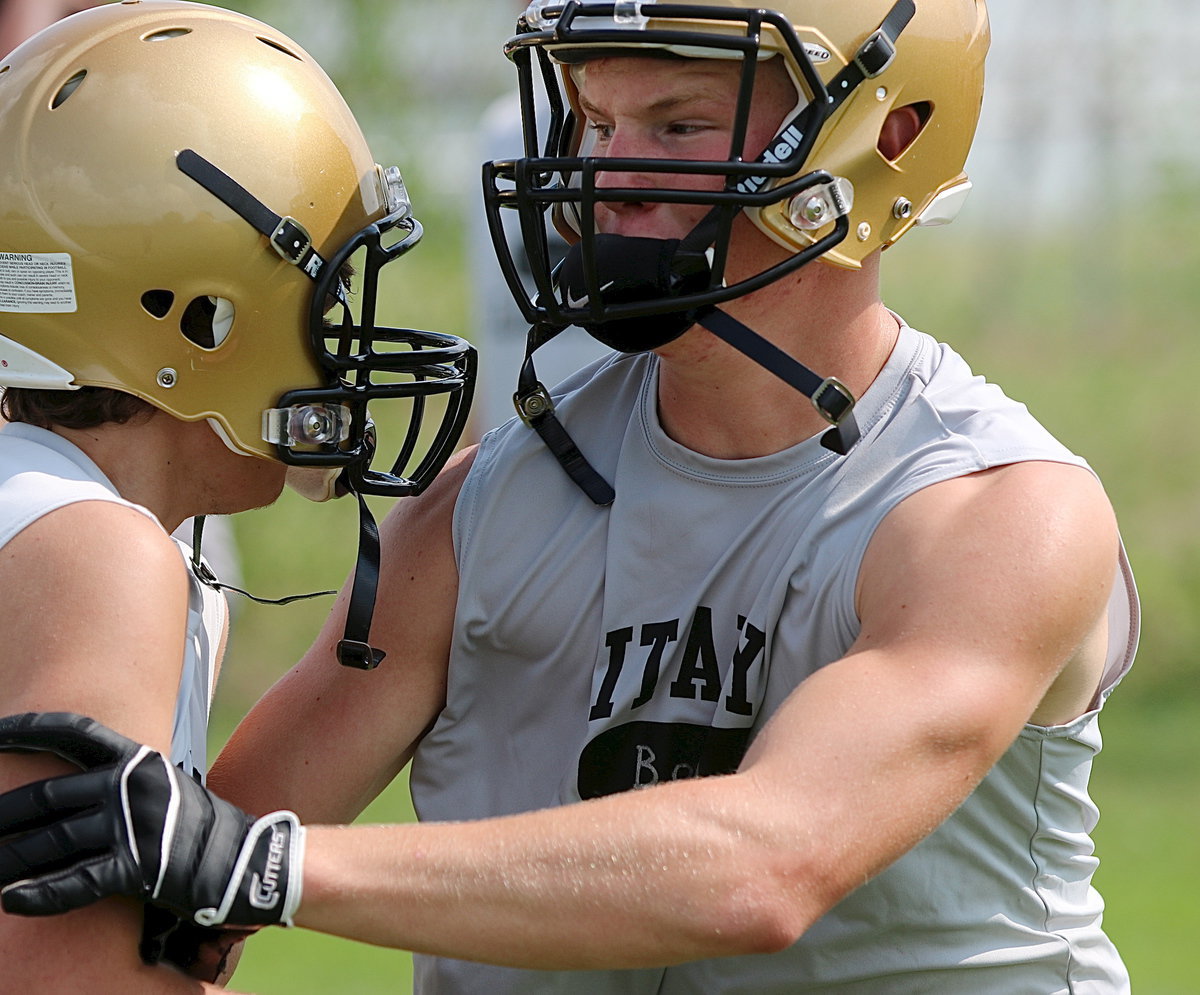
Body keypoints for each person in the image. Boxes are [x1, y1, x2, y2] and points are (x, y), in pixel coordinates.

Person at [0, 2, 1137, 993]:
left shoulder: (991, 513)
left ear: (891, 136)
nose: (606, 176)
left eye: (679, 125)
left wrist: (268, 863)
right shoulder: (484, 507)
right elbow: (168, 893)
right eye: (595, 123)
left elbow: (764, 863)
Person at [0, 1, 473, 990]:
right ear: (201, 316)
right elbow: (69, 977)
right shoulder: (94, 548)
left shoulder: (62, 510)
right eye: (324, 299)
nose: (347, 346)